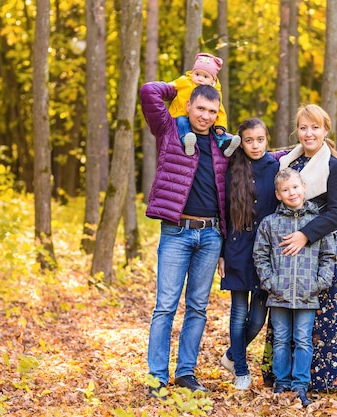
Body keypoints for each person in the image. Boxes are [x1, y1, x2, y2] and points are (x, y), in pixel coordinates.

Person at [261, 104, 337, 391]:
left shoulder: (333, 166)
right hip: (287, 249)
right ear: (297, 131)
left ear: (325, 130)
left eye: (315, 127)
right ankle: (283, 379)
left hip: (320, 244)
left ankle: (321, 379)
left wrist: (305, 234)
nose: (309, 133)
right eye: (303, 128)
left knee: (322, 311)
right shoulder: (288, 165)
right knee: (285, 313)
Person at [139, 81, 229, 396]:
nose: (205, 116)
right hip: (176, 233)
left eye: (212, 111)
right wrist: (183, 84)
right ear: (189, 105)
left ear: (218, 114)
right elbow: (149, 91)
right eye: (200, 108)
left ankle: (186, 373)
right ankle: (156, 378)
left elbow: (257, 163)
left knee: (197, 307)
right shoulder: (170, 131)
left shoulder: (223, 144)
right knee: (165, 306)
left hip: (211, 235)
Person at [253, 168, 336, 407]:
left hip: (307, 293)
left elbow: (329, 255)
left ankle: (300, 385)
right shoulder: (270, 223)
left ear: (304, 188)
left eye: (295, 187)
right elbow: (260, 255)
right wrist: (271, 283)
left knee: (302, 339)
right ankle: (282, 383)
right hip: (278, 294)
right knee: (280, 339)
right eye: (286, 190)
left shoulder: (317, 223)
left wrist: (319, 283)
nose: (292, 193)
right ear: (278, 195)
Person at [217, 118, 280, 390]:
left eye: (260, 139)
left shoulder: (277, 167)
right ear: (240, 142)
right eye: (249, 140)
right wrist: (221, 253)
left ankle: (232, 355)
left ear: (267, 139)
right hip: (238, 248)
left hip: (266, 251)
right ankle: (241, 371)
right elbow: (222, 213)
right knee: (239, 311)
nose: (255, 145)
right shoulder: (232, 168)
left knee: (257, 318)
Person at [168, 52, 240, 157]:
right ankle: (187, 140)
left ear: (212, 80)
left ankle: (225, 143)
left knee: (216, 131)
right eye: (197, 74)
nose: (200, 79)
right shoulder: (185, 81)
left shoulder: (214, 93)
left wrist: (220, 125)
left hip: (202, 124)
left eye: (205, 77)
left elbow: (220, 111)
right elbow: (172, 85)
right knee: (181, 122)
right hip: (181, 113)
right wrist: (164, 88)